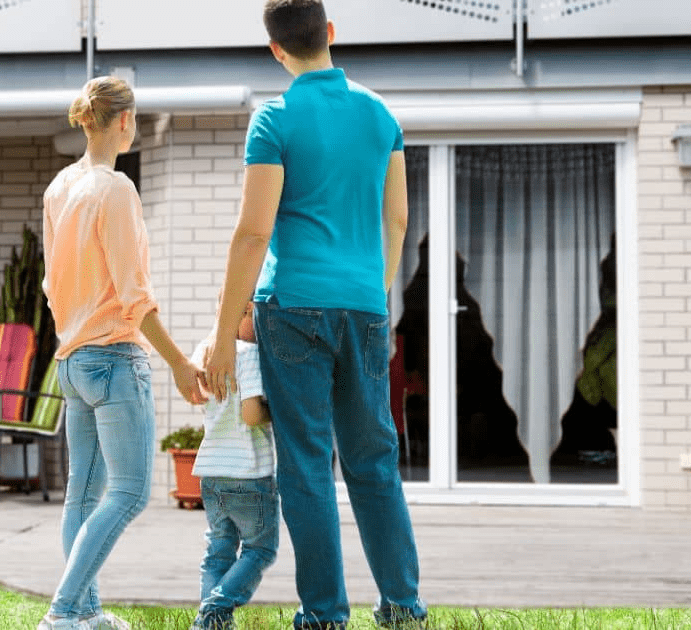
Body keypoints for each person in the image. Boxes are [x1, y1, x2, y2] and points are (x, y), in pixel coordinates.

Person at [203, 1, 426, 628]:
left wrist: (224, 337)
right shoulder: (380, 114)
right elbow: (399, 218)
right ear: (330, 34)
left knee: (306, 465)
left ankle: (326, 613)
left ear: (275, 50)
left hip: (293, 309)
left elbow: (253, 233)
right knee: (372, 461)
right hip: (361, 307)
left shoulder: (273, 118)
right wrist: (373, 291)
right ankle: (403, 606)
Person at [38, 76, 207, 630]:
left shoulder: (60, 188)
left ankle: (85, 614)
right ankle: (63, 612)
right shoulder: (116, 190)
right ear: (124, 121)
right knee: (131, 493)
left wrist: (73, 338)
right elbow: (135, 297)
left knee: (82, 497)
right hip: (112, 359)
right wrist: (181, 363)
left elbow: (49, 286)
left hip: (72, 362)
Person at [189, 300, 279, 630]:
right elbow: (251, 414)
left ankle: (212, 623)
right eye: (259, 315)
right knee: (261, 549)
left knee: (218, 552)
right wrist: (278, 415)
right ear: (243, 313)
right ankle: (213, 609)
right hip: (249, 473)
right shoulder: (248, 354)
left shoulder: (206, 349)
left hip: (212, 472)